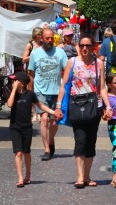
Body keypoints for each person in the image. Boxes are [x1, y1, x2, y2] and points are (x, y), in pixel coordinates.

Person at [56, 34, 106, 188]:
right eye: (82, 45)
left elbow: (102, 87)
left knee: (91, 142)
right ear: (79, 46)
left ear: (93, 47)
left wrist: (108, 106)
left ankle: (87, 176)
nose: (85, 48)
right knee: (80, 140)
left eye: (88, 46)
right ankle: (79, 176)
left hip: (94, 106)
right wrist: (58, 106)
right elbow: (64, 85)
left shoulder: (99, 64)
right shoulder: (72, 62)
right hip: (76, 105)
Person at [6, 71, 61, 188]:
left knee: (26, 152)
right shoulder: (13, 94)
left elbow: (40, 105)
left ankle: (28, 175)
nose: (13, 82)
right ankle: (20, 178)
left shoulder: (30, 94)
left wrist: (52, 111)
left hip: (27, 127)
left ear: (22, 82)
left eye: (15, 80)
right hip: (15, 127)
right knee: (18, 152)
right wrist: (14, 90)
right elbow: (10, 104)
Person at [27, 27, 68, 161]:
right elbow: (31, 75)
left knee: (55, 122)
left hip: (56, 91)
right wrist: (30, 93)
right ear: (41, 38)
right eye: (47, 38)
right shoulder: (35, 54)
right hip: (40, 91)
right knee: (44, 119)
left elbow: (67, 71)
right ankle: (46, 149)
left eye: (51, 38)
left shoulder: (60, 52)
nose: (50, 40)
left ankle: (50, 140)